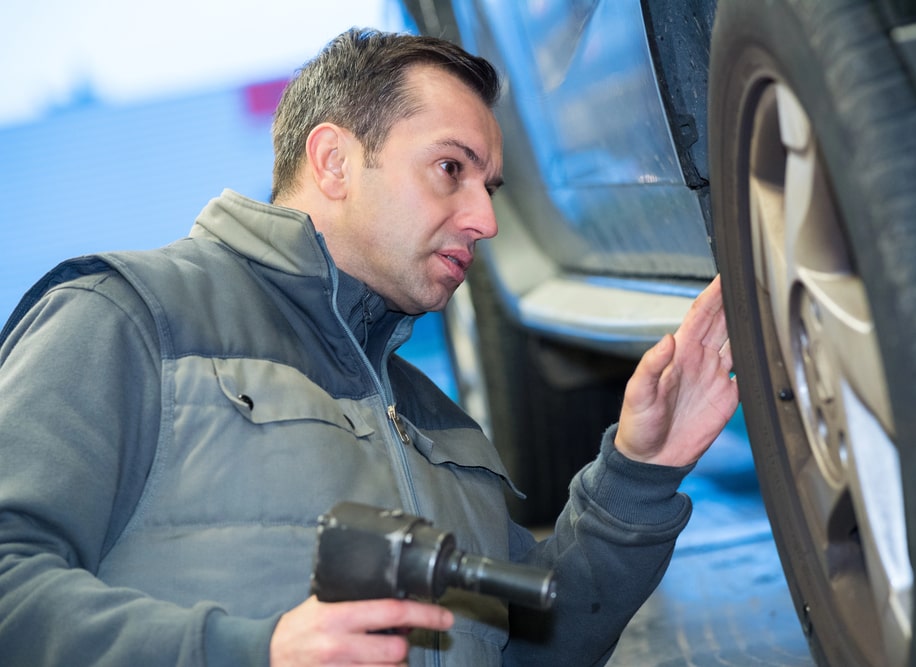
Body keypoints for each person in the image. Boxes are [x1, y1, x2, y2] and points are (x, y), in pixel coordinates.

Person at [0, 28, 738, 667]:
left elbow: (531, 646)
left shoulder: (440, 423)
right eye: (451, 169)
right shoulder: (128, 316)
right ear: (334, 162)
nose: (485, 218)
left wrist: (643, 471)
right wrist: (251, 652)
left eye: (491, 187)